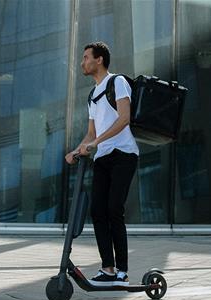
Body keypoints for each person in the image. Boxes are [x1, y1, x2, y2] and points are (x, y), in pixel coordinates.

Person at [65, 42, 139, 287]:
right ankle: (107, 268)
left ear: (99, 60)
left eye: (86, 57)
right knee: (97, 211)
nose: (82, 62)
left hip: (123, 154)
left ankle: (123, 272)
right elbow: (90, 133)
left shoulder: (117, 82)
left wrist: (96, 141)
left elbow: (124, 118)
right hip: (103, 157)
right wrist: (76, 150)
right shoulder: (92, 95)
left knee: (114, 209)